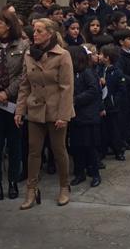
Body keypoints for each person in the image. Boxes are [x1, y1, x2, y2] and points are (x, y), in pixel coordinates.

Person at [15, 18, 74, 209]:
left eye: (39, 31)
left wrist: (63, 116)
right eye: (34, 30)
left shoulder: (62, 55)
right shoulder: (29, 54)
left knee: (58, 150)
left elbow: (67, 87)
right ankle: (31, 190)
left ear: (49, 33)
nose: (35, 34)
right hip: (35, 109)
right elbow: (25, 84)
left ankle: (64, 186)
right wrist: (19, 110)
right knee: (34, 151)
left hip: (56, 110)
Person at [0, 11, 28, 201]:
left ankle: (12, 182)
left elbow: (23, 74)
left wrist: (7, 93)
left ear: (9, 25)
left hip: (13, 102)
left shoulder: (23, 46)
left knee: (15, 144)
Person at [67, 45, 102, 188]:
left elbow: (93, 90)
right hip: (76, 117)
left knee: (90, 146)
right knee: (77, 146)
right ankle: (79, 173)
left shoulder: (87, 72)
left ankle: (95, 173)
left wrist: (76, 99)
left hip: (87, 116)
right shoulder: (72, 73)